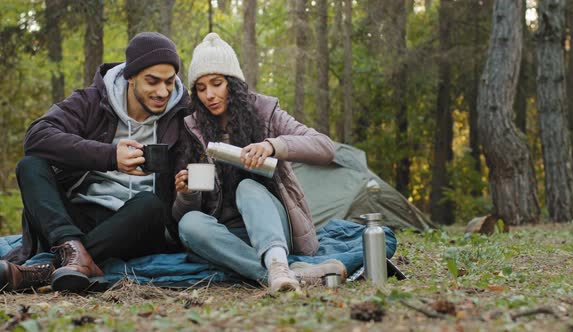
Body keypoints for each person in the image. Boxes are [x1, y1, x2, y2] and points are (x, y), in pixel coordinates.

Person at [0, 32, 190, 292]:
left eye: (169, 82)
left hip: (137, 225)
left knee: (150, 205)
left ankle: (42, 271)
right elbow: (37, 136)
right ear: (130, 76)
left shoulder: (183, 114)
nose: (162, 91)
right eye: (152, 81)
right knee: (30, 166)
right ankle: (73, 252)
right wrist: (110, 156)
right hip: (78, 217)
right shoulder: (92, 101)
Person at [173, 33, 346, 294]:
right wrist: (187, 194)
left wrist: (273, 146)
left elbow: (325, 148)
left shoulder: (265, 111)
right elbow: (183, 212)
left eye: (217, 83)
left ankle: (277, 263)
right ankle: (281, 274)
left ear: (232, 82)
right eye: (201, 88)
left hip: (273, 228)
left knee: (248, 188)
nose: (209, 94)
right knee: (188, 224)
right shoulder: (192, 127)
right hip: (228, 238)